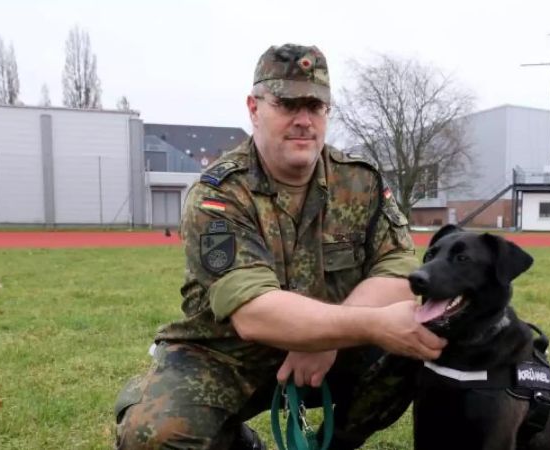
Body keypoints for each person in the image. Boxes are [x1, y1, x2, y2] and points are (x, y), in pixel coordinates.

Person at [114, 43, 446, 450]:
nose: (304, 120)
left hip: (337, 351)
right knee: (152, 434)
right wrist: (355, 327)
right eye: (288, 104)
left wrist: (330, 337)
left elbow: (399, 270)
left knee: (431, 337)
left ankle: (336, 442)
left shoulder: (362, 182)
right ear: (254, 108)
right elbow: (255, 314)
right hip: (230, 355)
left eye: (316, 106)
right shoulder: (219, 195)